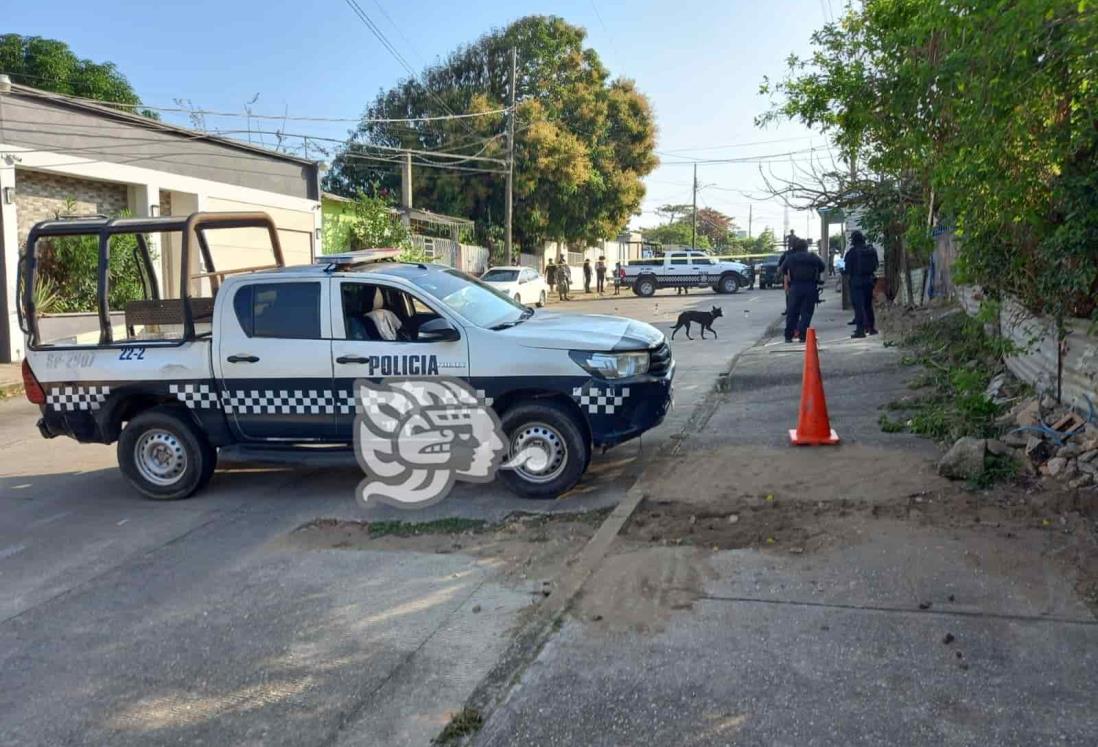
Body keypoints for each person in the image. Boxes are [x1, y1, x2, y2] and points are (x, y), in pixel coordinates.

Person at [782, 238, 826, 343]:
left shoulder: (790, 258)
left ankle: (788, 335)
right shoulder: (813, 257)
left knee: (792, 312)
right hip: (810, 286)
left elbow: (783, 269)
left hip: (795, 286)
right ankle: (803, 335)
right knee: (806, 312)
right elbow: (822, 267)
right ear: (806, 247)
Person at [845, 231, 879, 338]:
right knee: (868, 305)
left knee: (858, 306)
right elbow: (876, 265)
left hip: (856, 281)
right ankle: (872, 328)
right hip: (869, 280)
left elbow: (848, 269)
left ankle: (860, 330)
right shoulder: (871, 251)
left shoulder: (852, 252)